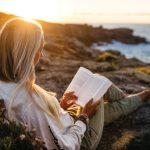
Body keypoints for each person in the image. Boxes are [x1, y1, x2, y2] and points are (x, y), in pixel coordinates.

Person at [0, 18, 149, 150]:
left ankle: (135, 98)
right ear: (27, 53)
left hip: (64, 123)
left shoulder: (9, 87)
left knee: (100, 99)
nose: (42, 54)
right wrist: (84, 118)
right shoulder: (29, 102)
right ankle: (139, 96)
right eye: (40, 49)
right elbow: (66, 146)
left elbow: (41, 122)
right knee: (98, 86)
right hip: (79, 140)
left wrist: (58, 107)